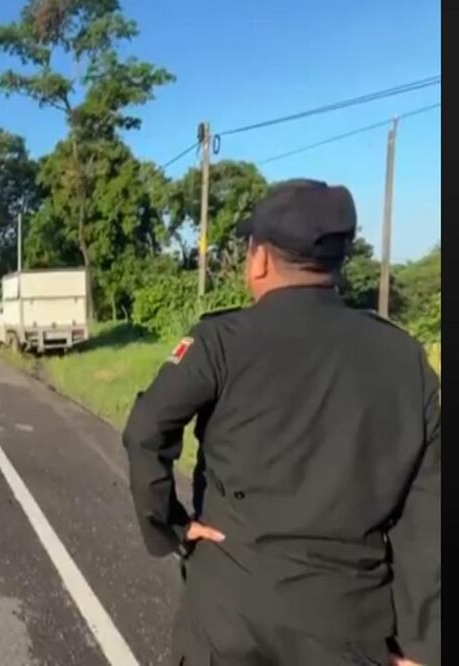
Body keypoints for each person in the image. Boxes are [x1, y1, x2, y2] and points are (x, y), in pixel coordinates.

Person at [122, 179, 439, 666]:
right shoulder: (406, 359)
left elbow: (146, 431)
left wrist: (172, 526)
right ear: (336, 262)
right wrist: (422, 646)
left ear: (261, 259)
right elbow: (429, 510)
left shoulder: (221, 341)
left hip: (229, 617)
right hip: (349, 627)